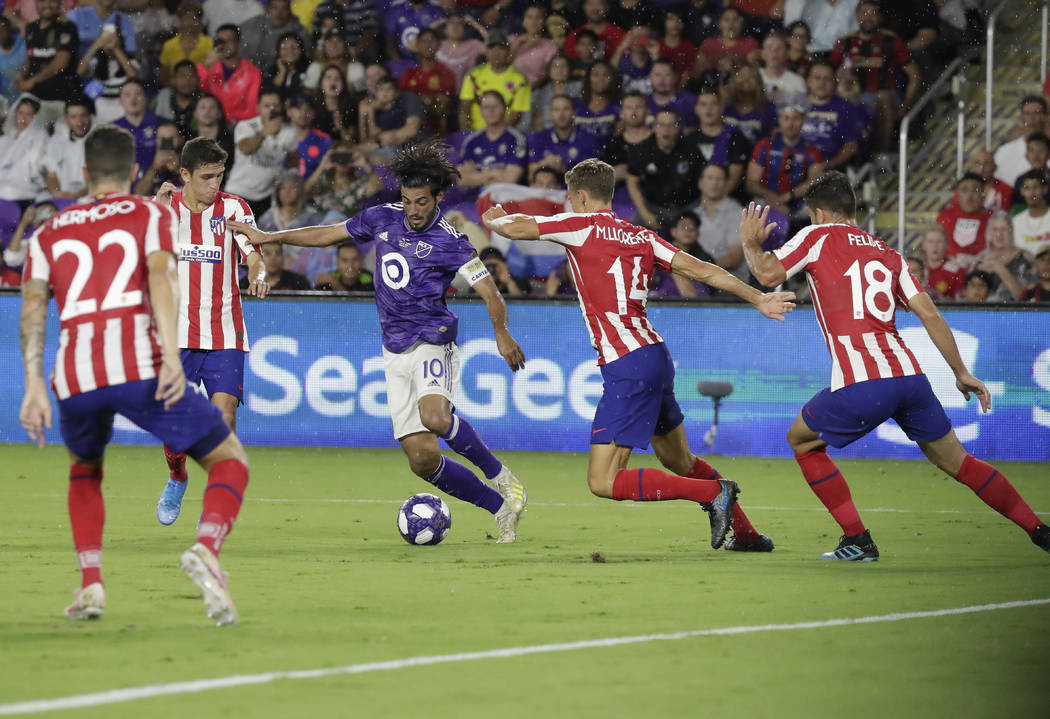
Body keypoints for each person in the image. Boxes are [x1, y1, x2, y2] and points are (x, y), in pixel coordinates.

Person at [481, 158, 795, 551]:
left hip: (627, 363)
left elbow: (513, 228)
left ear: (579, 196)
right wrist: (758, 297)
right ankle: (746, 534)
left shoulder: (579, 225)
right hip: (654, 354)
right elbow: (701, 270)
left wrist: (491, 215)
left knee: (604, 481)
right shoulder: (641, 236)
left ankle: (712, 494)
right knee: (680, 460)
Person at [229, 140, 530, 543]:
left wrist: (501, 331)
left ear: (439, 197)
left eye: (422, 201)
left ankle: (502, 478)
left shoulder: (452, 240)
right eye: (407, 200)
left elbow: (490, 291)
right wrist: (270, 236)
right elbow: (328, 234)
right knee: (423, 460)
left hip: (432, 340)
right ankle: (500, 510)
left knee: (436, 418)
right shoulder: (380, 218)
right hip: (394, 350)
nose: (413, 209)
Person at [739, 171, 1050, 560]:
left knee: (802, 440)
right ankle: (1037, 528)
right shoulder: (888, 253)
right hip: (910, 378)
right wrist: (961, 372)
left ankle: (857, 539)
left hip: (864, 381)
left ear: (819, 213)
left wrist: (750, 243)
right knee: (959, 462)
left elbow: (767, 273)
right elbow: (931, 314)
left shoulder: (817, 237)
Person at [18, 125, 251, 625]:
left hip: (73, 378)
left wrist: (34, 384)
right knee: (230, 460)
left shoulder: (48, 232)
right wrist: (170, 356)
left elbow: (34, 308)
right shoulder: (151, 213)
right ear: (130, 172)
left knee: (85, 471)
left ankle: (91, 586)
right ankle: (208, 549)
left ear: (83, 174)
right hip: (135, 366)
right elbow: (163, 282)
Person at [151, 136, 268, 527]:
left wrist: (259, 275)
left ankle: (216, 509)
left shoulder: (234, 208)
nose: (215, 184)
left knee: (225, 419)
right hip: (176, 336)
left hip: (224, 334)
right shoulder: (165, 211)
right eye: (206, 177)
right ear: (184, 174)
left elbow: (254, 254)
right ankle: (177, 476)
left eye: (219, 175)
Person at [224, 87, 300, 218]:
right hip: (238, 192)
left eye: (276, 105)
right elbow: (246, 149)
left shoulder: (290, 131)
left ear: (282, 107)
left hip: (267, 197)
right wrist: (265, 132)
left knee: (261, 236)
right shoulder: (246, 126)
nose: (272, 109)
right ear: (258, 107)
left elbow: (293, 161)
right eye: (267, 105)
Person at [627, 109, 704, 230]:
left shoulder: (691, 149)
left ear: (678, 128)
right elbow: (632, 181)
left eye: (671, 125)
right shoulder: (643, 150)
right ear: (654, 128)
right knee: (630, 232)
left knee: (707, 230)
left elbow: (703, 179)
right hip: (655, 207)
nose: (666, 130)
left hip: (688, 207)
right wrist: (644, 213)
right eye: (661, 125)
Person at [15, 0, 80, 128]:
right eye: (42, 1)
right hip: (36, 101)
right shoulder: (31, 27)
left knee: (60, 143)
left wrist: (32, 81)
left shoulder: (67, 27)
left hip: (61, 99)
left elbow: (61, 63)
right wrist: (22, 78)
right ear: (36, 4)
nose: (47, 5)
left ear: (60, 3)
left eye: (52, 1)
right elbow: (31, 57)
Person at [459, 29, 531, 132]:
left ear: (508, 51)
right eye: (491, 48)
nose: (496, 52)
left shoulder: (520, 80)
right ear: (486, 51)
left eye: (501, 48)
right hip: (475, 133)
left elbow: (516, 116)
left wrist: (495, 135)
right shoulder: (473, 75)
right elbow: (464, 109)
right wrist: (466, 133)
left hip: (506, 134)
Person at [457, 91, 527, 190]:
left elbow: (510, 180)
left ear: (504, 109)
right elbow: (461, 180)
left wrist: (476, 176)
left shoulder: (516, 139)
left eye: (495, 106)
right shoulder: (471, 141)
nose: (491, 111)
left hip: (505, 197)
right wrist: (495, 173)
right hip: (473, 199)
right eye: (486, 107)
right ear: (481, 111)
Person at [196, 24, 263, 125]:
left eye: (229, 40)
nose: (224, 45)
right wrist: (205, 65)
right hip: (210, 123)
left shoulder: (253, 72)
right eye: (220, 41)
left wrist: (230, 120)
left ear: (239, 43)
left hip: (240, 126)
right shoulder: (209, 67)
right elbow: (194, 89)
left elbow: (252, 109)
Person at [527, 94, 602, 179]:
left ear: (574, 113)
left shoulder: (588, 139)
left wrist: (565, 169)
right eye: (556, 109)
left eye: (566, 109)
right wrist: (544, 164)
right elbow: (530, 177)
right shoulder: (539, 138)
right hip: (545, 190)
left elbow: (592, 178)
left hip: (575, 191)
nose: (561, 114)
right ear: (551, 114)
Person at [935, 173, 992, 270]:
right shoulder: (945, 216)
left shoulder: (992, 219)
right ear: (957, 194)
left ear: (983, 194)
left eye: (975, 190)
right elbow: (934, 247)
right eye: (964, 190)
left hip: (982, 273)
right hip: (948, 274)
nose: (969, 196)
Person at [974, 212, 1034, 302]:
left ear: (1011, 231)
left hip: (1016, 313)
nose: (999, 234)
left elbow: (1025, 297)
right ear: (989, 233)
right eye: (995, 229)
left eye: (1004, 229)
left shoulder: (1025, 257)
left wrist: (1000, 269)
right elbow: (971, 296)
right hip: (984, 313)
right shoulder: (980, 259)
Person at [42, 98, 95, 200]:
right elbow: (51, 175)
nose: (79, 122)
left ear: (90, 117)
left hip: (90, 198)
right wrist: (57, 193)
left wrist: (77, 195)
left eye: (83, 116)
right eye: (73, 117)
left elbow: (101, 180)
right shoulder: (57, 141)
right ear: (66, 119)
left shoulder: (101, 139)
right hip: (61, 198)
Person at [240, 0, 309, 73]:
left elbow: (305, 58)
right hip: (246, 73)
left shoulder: (299, 32)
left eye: (284, 8)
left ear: (289, 12)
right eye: (275, 7)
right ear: (267, 10)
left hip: (281, 77)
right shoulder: (251, 25)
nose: (279, 13)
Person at [153, 59, 202, 139]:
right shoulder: (164, 96)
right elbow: (150, 122)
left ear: (198, 79)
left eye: (191, 76)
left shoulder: (206, 99)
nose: (187, 80)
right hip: (167, 148)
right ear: (173, 80)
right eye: (182, 76)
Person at [920, 224, 966, 301]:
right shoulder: (914, 267)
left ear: (946, 245)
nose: (935, 246)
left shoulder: (955, 272)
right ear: (924, 245)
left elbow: (959, 303)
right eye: (930, 241)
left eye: (939, 241)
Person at [1012, 169, 1050, 256]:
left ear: (1045, 189)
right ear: (1021, 191)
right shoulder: (1015, 222)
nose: (1031, 193)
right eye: (1027, 188)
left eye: (1036, 187)